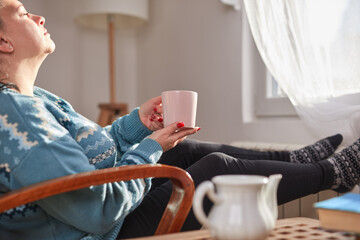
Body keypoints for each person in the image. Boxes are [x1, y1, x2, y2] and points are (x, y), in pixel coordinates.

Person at [0, 0, 359, 239]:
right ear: (3, 41)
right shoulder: (16, 115)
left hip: (105, 209)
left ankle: (299, 161)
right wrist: (148, 150)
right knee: (214, 167)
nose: (38, 16)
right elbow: (99, 209)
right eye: (21, 12)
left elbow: (90, 158)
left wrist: (139, 125)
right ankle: (334, 173)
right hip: (105, 229)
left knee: (187, 152)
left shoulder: (35, 99)